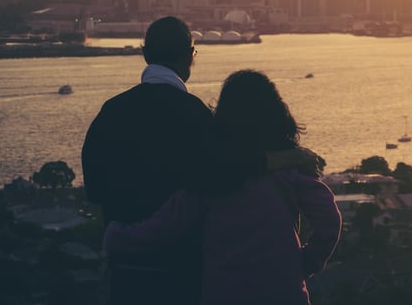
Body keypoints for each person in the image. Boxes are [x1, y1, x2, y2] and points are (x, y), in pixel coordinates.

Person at [82, 17, 319, 305]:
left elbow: (94, 189)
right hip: (183, 268)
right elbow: (226, 171)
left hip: (128, 267)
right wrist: (292, 157)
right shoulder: (195, 115)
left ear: (145, 54)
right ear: (188, 57)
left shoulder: (111, 112)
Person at [104, 69, 342, 305]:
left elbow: (164, 225)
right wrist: (307, 262)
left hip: (225, 293)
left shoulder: (210, 180)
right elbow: (329, 220)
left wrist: (115, 236)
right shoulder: (291, 171)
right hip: (285, 292)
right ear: (276, 114)